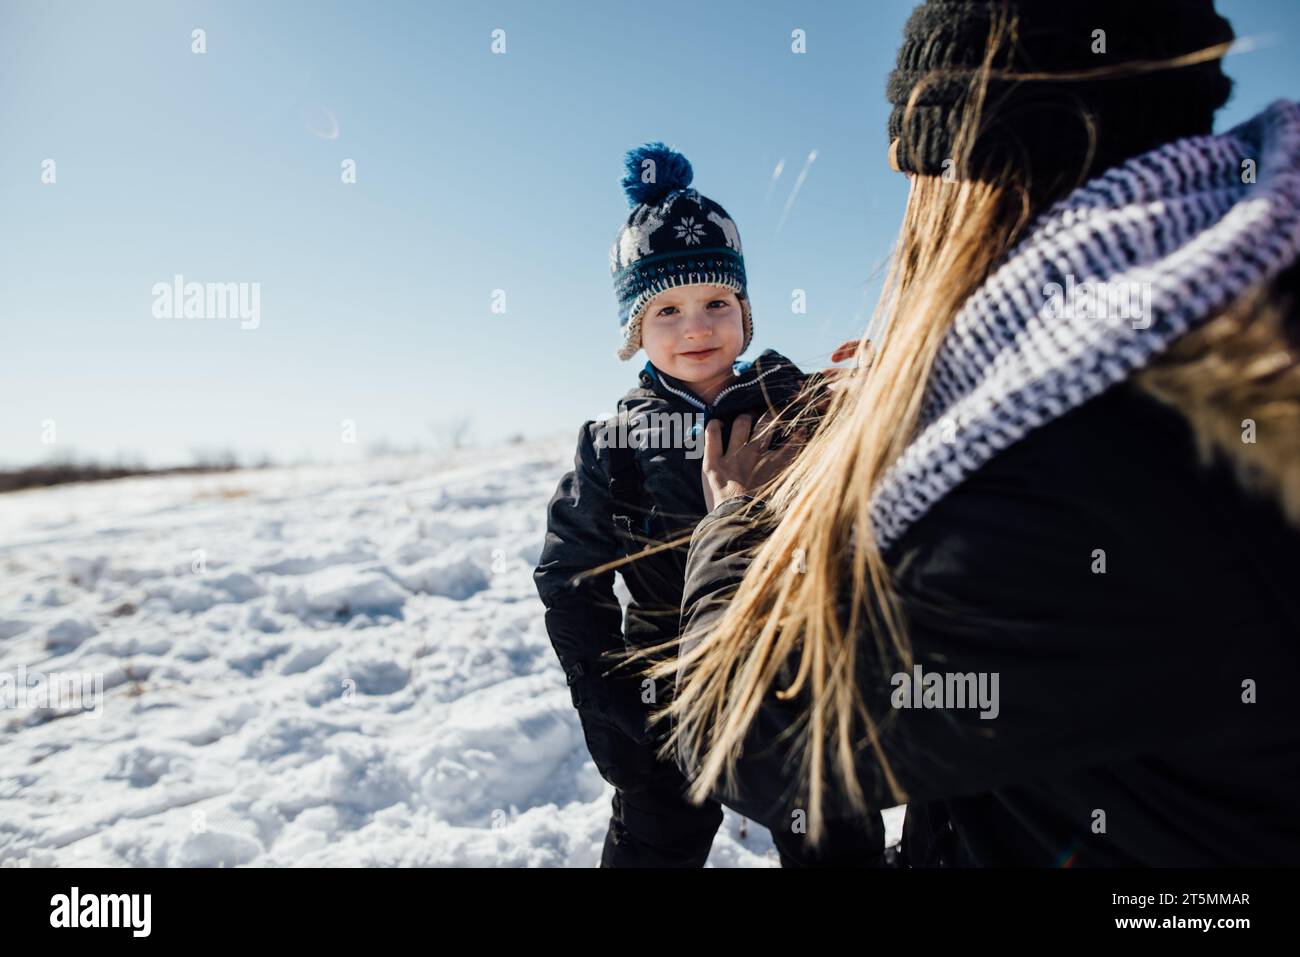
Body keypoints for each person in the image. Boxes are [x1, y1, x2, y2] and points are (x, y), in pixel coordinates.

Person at [663, 0, 1300, 866]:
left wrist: (738, 516)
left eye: (914, 172)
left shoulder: (1071, 470)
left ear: (966, 180)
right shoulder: (1234, 293)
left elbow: (756, 736)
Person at [533, 143, 885, 867]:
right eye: (667, 308)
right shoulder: (615, 445)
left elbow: (881, 465)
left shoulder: (799, 405)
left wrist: (888, 378)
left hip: (794, 682)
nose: (697, 326)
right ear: (634, 327)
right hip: (668, 696)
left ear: (746, 312)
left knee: (836, 842)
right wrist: (617, 718)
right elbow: (571, 582)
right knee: (653, 845)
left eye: (717, 302)